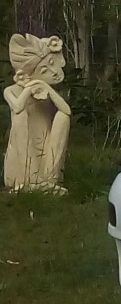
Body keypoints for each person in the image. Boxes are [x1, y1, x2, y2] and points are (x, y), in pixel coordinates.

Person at [3, 33, 71, 193]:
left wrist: (44, 86)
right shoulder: (10, 90)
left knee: (62, 116)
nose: (53, 72)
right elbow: (18, 107)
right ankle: (30, 181)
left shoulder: (47, 93)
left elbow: (67, 111)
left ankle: (50, 179)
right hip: (22, 161)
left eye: (52, 63)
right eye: (44, 69)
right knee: (20, 116)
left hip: (46, 154)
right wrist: (29, 88)